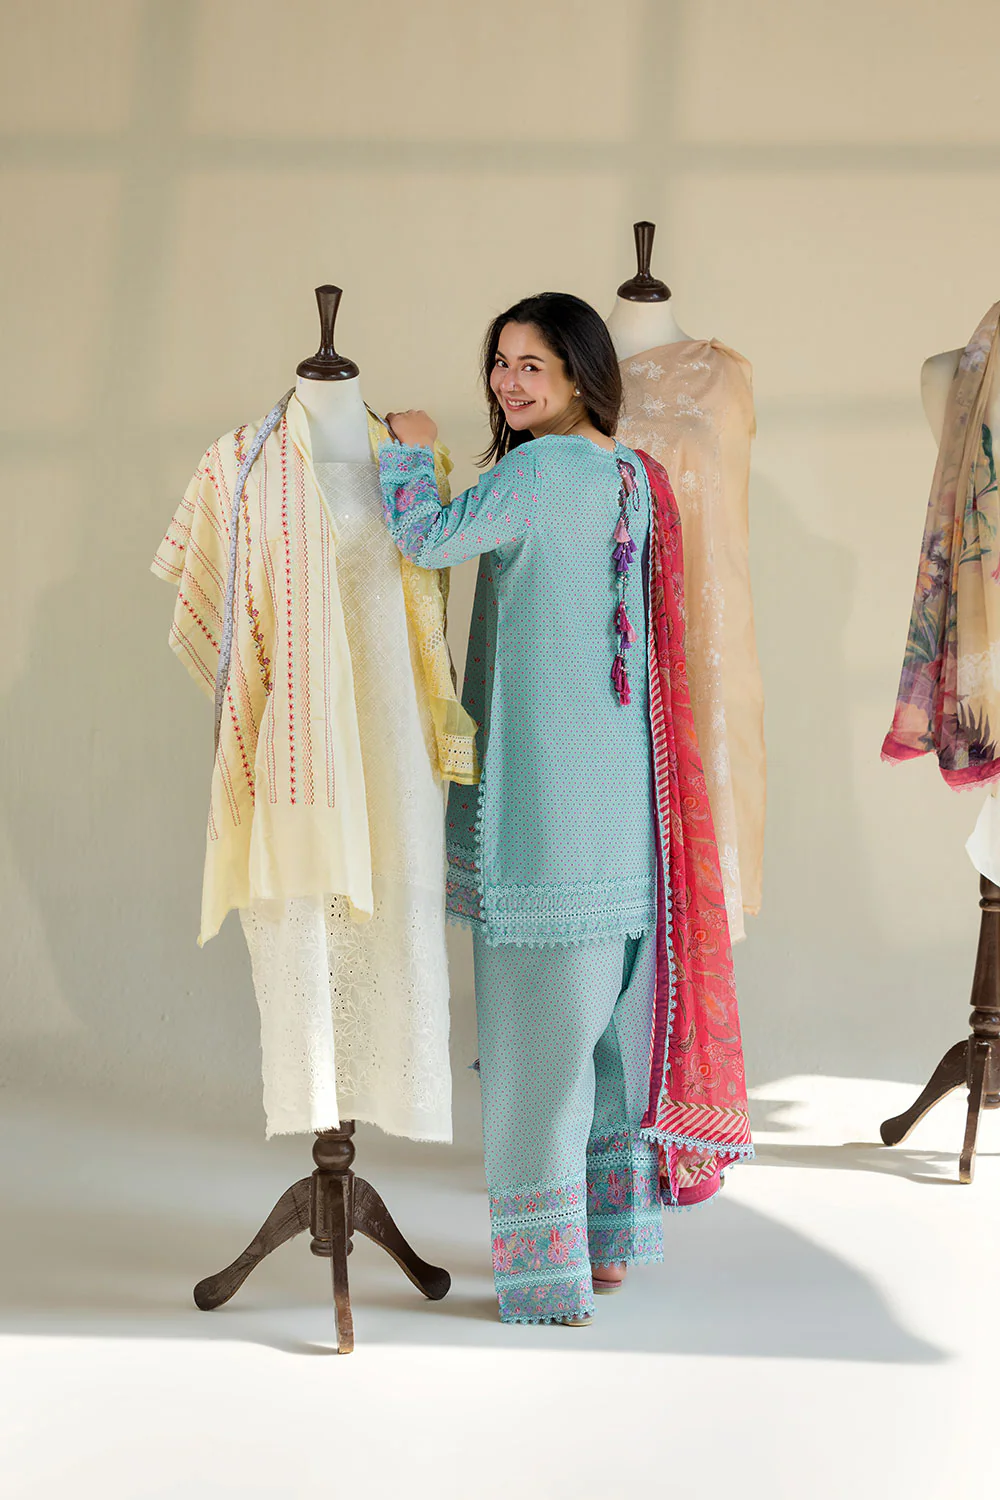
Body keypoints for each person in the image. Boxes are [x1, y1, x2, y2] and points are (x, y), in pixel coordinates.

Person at [378, 293, 747, 1327]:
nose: (508, 381)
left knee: (538, 1050)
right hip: (623, 816)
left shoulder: (535, 474)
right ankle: (612, 1244)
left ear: (581, 374)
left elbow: (424, 540)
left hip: (540, 816)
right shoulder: (635, 478)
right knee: (604, 1042)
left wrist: (408, 450)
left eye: (530, 365)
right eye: (500, 362)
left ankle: (547, 1279)